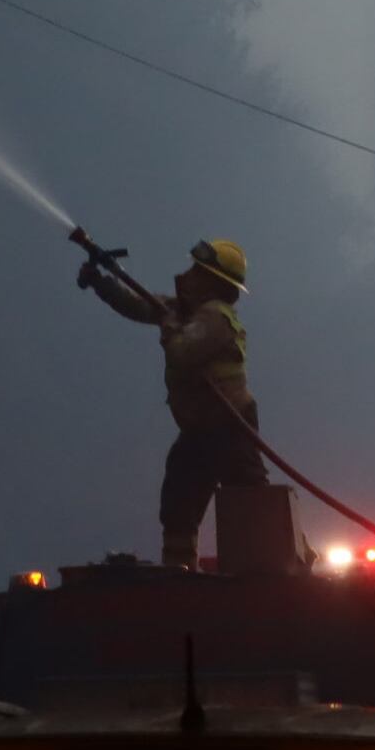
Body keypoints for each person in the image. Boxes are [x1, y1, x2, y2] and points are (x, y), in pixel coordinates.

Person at [83, 237, 259, 569]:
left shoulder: (216, 319)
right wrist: (101, 284)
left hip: (230, 425)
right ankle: (180, 570)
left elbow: (182, 353)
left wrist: (168, 326)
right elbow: (140, 306)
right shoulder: (187, 311)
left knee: (253, 503)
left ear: (213, 282)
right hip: (198, 428)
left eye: (197, 270)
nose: (187, 275)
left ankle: (288, 563)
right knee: (179, 500)